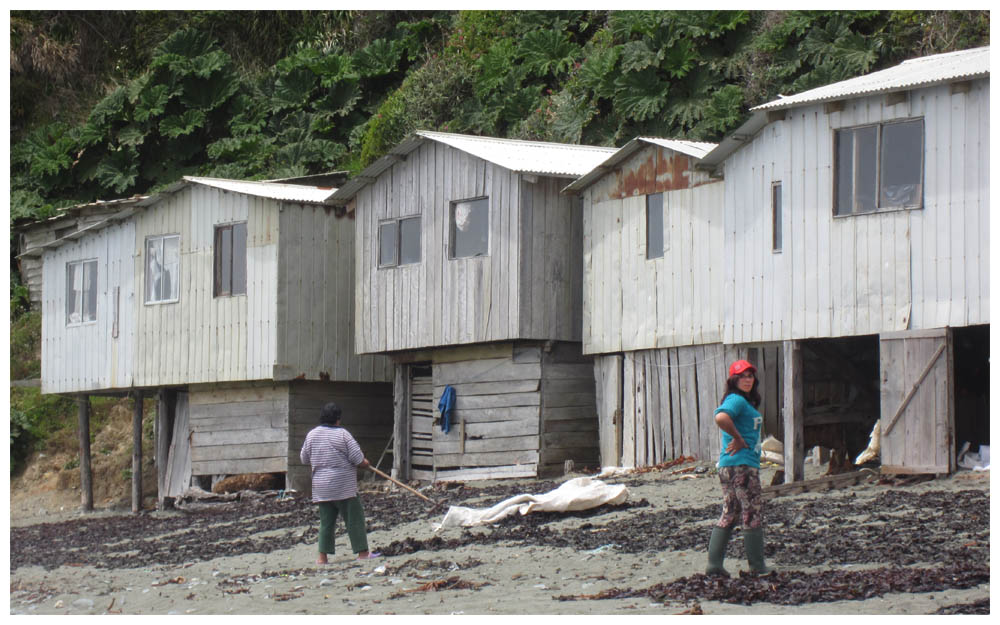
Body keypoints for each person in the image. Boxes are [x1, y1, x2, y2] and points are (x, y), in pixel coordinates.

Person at [705, 359, 773, 576]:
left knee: (730, 512)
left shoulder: (745, 402)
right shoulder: (736, 400)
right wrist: (739, 438)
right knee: (751, 512)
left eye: (750, 376)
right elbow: (720, 417)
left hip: (728, 465)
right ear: (733, 380)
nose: (747, 379)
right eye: (742, 376)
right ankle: (757, 566)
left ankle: (714, 565)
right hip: (740, 465)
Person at [300, 402, 380, 564]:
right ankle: (363, 553)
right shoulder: (343, 434)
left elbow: (304, 458)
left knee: (326, 522)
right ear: (338, 419)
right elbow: (357, 459)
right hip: (343, 486)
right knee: (354, 518)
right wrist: (366, 463)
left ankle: (322, 558)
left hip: (321, 486)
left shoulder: (312, 435)